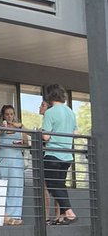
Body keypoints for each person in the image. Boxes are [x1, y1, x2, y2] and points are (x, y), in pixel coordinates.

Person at [41, 84, 77, 224]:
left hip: (53, 154)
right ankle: (63, 216)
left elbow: (46, 137)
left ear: (50, 96)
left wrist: (40, 132)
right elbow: (75, 132)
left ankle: (69, 212)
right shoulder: (70, 112)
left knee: (52, 184)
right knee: (60, 185)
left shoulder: (50, 112)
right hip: (67, 155)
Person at [0, 104, 27, 224]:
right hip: (3, 159)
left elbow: (26, 143)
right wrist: (1, 130)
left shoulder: (19, 128)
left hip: (16, 159)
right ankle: (3, 216)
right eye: (7, 114)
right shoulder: (0, 127)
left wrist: (20, 128)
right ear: (3, 115)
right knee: (3, 186)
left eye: (11, 114)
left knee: (16, 187)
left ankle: (15, 216)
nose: (9, 116)